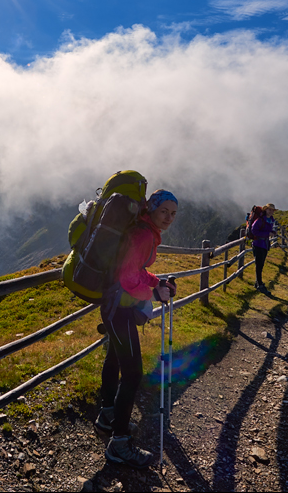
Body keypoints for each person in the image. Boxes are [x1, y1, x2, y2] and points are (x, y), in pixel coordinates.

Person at [96, 189, 179, 468]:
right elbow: (128, 277)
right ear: (153, 208)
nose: (169, 217)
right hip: (119, 309)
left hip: (113, 305)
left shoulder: (143, 230)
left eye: (173, 213)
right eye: (164, 210)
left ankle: (108, 414)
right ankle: (119, 443)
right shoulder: (144, 235)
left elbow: (137, 270)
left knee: (115, 358)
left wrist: (157, 283)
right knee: (132, 374)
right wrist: (156, 294)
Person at [249, 203, 277, 293]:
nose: (271, 211)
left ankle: (258, 283)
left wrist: (271, 232)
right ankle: (260, 284)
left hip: (264, 244)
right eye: (269, 209)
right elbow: (254, 231)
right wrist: (268, 234)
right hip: (258, 244)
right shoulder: (260, 220)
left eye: (272, 210)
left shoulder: (270, 220)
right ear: (265, 210)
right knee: (259, 265)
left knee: (261, 264)